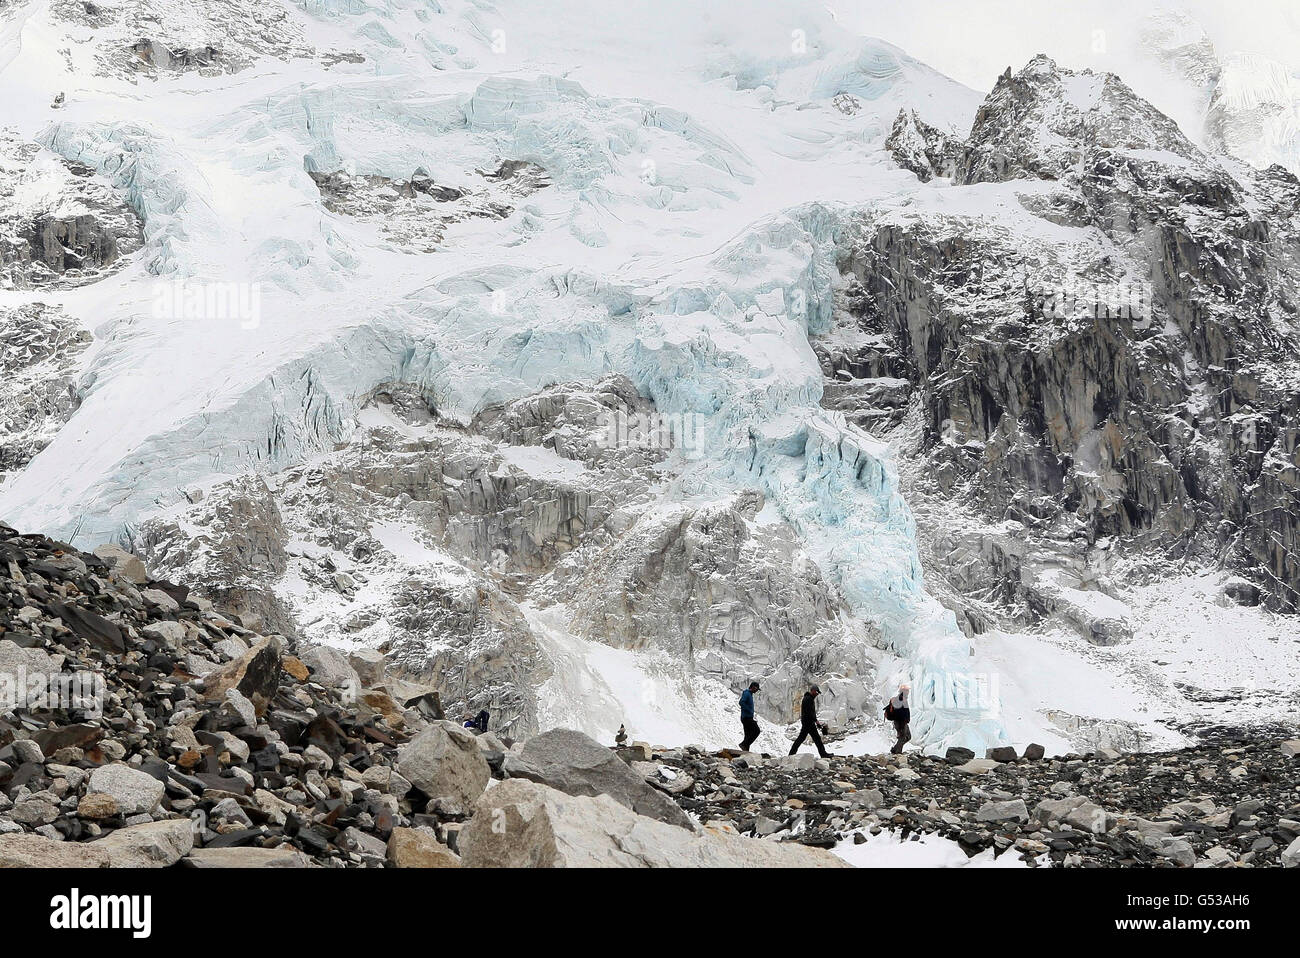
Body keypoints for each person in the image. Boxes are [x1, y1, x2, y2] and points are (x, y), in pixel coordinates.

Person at [789, 684, 830, 758]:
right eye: (817, 692)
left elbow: (811, 713)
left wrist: (815, 721)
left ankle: (823, 754)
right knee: (804, 738)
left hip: (808, 722)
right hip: (808, 723)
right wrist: (816, 721)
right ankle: (823, 754)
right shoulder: (808, 699)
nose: (817, 694)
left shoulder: (808, 698)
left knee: (813, 738)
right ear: (813, 691)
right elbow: (809, 712)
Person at [886, 684, 911, 754]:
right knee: (903, 737)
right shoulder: (900, 699)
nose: (908, 692)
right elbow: (899, 712)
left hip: (901, 722)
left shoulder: (902, 698)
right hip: (900, 722)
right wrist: (902, 722)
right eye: (907, 690)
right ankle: (898, 752)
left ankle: (895, 749)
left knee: (907, 736)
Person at [738, 681, 761, 752]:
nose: (757, 690)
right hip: (746, 717)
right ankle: (744, 744)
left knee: (748, 735)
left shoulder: (749, 694)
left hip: (746, 717)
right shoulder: (747, 693)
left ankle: (745, 751)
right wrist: (749, 711)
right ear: (753, 687)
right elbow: (741, 702)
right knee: (757, 730)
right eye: (757, 689)